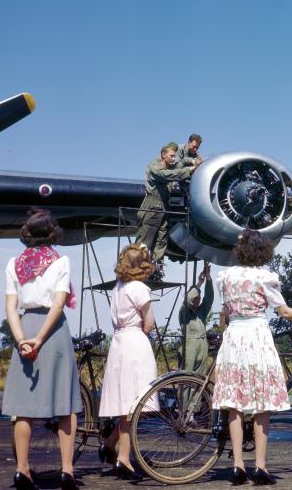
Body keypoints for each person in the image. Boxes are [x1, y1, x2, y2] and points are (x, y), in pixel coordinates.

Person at [212, 230, 292, 485]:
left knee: (235, 404)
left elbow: (226, 311)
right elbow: (283, 311)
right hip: (256, 336)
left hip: (233, 337)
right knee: (262, 404)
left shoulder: (226, 277)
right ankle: (260, 466)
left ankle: (238, 465)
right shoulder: (265, 277)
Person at [2, 208, 82, 490]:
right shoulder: (60, 262)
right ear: (52, 233)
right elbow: (59, 303)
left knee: (23, 409)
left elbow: (11, 307)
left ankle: (22, 470)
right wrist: (41, 339)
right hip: (54, 330)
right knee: (66, 405)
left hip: (26, 326)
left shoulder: (14, 264)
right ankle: (67, 471)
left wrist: (23, 338)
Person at [98, 244, 158, 481]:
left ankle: (111, 443)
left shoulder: (118, 288)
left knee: (126, 403)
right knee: (137, 402)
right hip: (135, 342)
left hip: (118, 342)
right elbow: (149, 323)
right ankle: (124, 456)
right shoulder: (141, 288)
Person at [135, 143, 194, 281]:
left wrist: (193, 161)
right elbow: (167, 175)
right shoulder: (155, 168)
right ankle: (136, 269)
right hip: (153, 206)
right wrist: (190, 169)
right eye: (171, 155)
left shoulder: (172, 166)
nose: (174, 158)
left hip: (163, 208)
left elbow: (180, 164)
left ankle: (156, 269)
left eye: (175, 155)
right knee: (145, 241)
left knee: (161, 240)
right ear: (163, 155)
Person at [178, 261, 214, 372]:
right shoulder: (184, 312)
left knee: (199, 377)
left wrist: (207, 276)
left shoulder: (202, 311)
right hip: (189, 345)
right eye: (196, 297)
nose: (198, 300)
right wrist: (199, 283)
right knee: (186, 376)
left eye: (199, 298)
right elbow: (188, 299)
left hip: (202, 345)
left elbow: (209, 297)